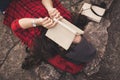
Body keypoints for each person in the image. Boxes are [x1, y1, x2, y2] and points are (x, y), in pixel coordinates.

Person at [3, 0, 96, 74]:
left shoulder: (38, 41)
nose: (72, 34)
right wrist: (50, 8)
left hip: (7, 5)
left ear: (62, 46)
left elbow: (15, 26)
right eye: (77, 35)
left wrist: (37, 22)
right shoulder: (65, 19)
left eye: (72, 40)